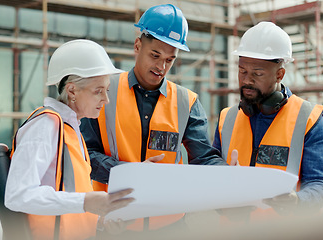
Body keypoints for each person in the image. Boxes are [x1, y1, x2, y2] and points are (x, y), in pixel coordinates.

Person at [80, 4, 228, 232]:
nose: (161, 66)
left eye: (170, 60)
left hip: (170, 226)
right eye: (155, 55)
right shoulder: (104, 91)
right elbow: (84, 154)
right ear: (138, 45)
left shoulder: (186, 102)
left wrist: (230, 175)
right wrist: (131, 175)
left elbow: (203, 158)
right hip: (113, 224)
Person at [4, 39, 135, 240]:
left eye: (107, 90)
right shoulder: (44, 126)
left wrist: (101, 222)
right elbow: (17, 196)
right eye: (98, 91)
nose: (106, 100)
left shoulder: (71, 131)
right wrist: (85, 202)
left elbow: (70, 195)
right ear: (72, 90)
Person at [213, 22, 323, 221]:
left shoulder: (309, 119)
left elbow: (320, 183)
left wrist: (298, 201)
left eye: (257, 74)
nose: (247, 80)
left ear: (280, 74)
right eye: (242, 71)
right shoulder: (227, 118)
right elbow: (211, 175)